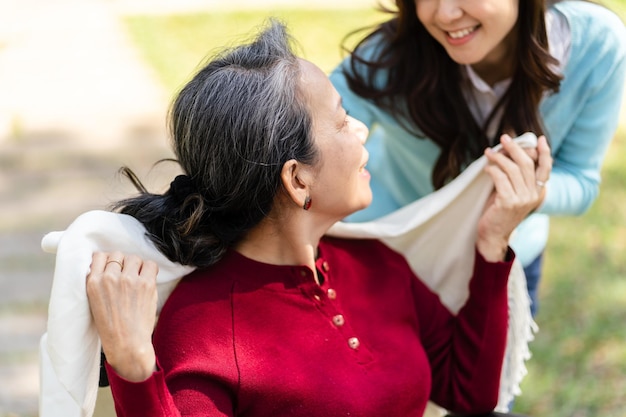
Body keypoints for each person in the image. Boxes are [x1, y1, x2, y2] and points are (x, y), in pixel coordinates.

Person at [85, 21, 551, 417]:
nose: (362, 129)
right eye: (343, 120)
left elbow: (468, 391)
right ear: (297, 180)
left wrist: (492, 243)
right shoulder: (204, 330)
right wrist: (133, 368)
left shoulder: (376, 264)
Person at [329, 0, 626, 316]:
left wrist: (533, 191)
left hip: (507, 261)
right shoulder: (389, 58)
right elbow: (310, 136)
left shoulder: (596, 45)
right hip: (395, 257)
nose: (445, 14)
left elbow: (581, 180)